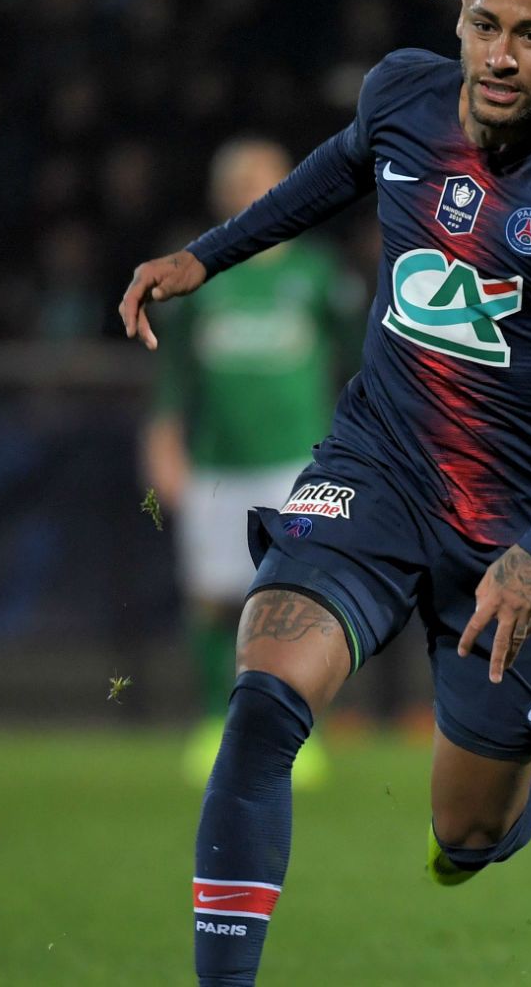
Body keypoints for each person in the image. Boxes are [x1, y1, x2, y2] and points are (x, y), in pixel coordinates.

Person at [116, 0, 531, 984]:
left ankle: (491, 815)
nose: (501, 52)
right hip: (376, 468)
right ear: (461, 20)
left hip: (520, 525)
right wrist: (206, 259)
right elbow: (337, 170)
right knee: (261, 705)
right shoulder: (405, 93)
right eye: (486, 24)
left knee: (465, 833)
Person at [141, 137, 351, 788]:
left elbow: (359, 366)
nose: (251, 191)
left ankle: (294, 731)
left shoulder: (319, 276)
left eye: (263, 179)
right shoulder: (200, 278)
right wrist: (163, 444)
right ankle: (215, 723)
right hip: (217, 465)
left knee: (299, 601)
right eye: (239, 182)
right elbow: (173, 379)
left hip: (299, 460)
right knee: (213, 600)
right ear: (222, 195)